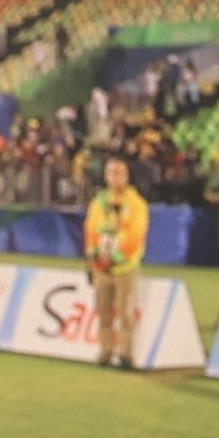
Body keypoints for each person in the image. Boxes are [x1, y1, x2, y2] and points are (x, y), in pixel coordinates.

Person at [81, 157, 152, 368]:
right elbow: (91, 230)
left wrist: (114, 256)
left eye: (119, 173)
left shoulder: (136, 204)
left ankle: (126, 354)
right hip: (101, 267)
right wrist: (93, 255)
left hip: (125, 267)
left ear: (127, 176)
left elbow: (135, 235)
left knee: (126, 312)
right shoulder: (99, 202)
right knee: (103, 312)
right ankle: (105, 351)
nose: (115, 177)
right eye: (111, 173)